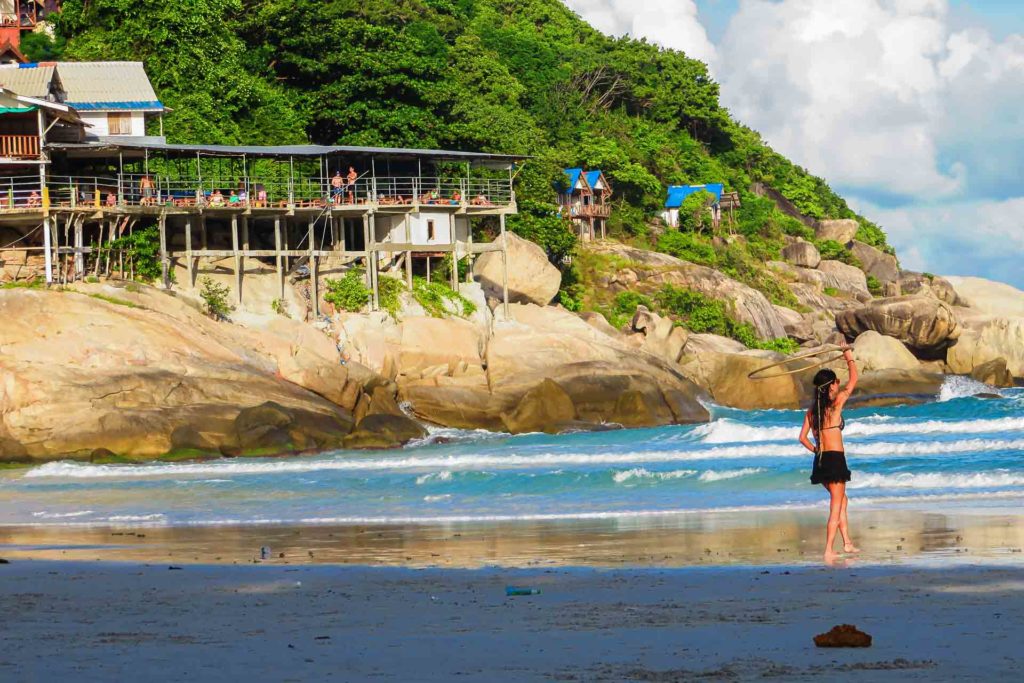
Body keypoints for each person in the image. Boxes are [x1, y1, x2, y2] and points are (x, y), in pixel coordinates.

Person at [799, 343, 859, 563]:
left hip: (821, 460)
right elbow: (853, 381)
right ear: (832, 385)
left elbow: (802, 438)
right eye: (835, 383)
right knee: (836, 505)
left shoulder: (812, 412)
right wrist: (848, 355)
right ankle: (828, 550)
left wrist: (817, 450)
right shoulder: (834, 407)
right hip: (834, 459)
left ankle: (847, 543)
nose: (838, 386)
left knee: (842, 500)